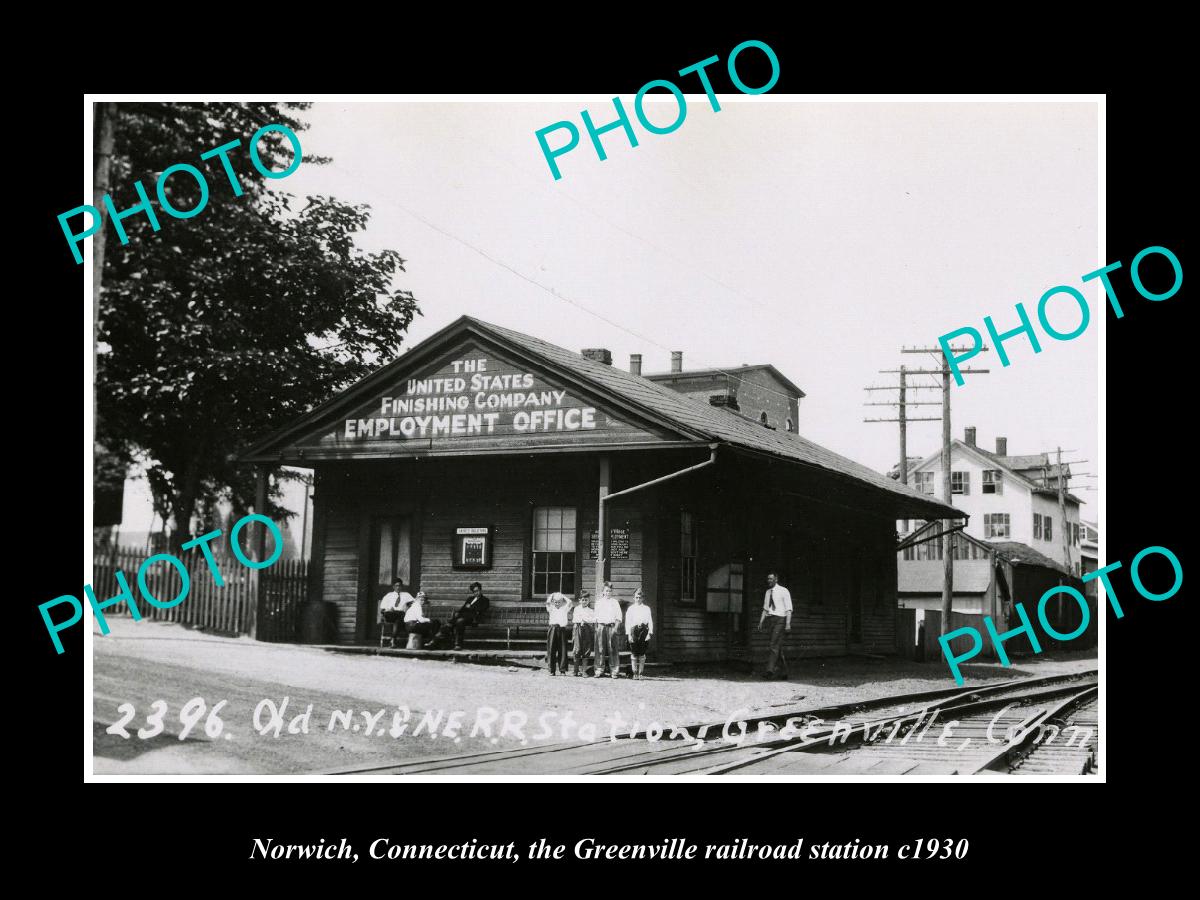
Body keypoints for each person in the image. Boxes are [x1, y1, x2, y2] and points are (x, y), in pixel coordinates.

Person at [432, 581, 490, 650]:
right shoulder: (470, 599)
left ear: (480, 590)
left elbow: (481, 609)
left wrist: (471, 607)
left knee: (456, 622)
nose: (476, 593)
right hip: (464, 617)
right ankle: (438, 640)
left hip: (474, 619)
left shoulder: (485, 600)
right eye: (474, 591)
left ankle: (450, 641)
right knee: (455, 622)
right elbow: (462, 609)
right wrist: (459, 612)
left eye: (477, 591)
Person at [758, 572, 793, 679]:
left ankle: (770, 670)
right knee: (777, 646)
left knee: (773, 645)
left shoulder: (783, 591)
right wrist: (761, 622)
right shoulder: (768, 592)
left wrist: (787, 623)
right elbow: (765, 608)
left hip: (780, 620)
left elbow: (789, 609)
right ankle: (784, 672)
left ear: (776, 579)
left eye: (771, 579)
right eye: (768, 579)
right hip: (770, 620)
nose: (769, 581)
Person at [592, 582, 623, 678]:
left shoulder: (615, 602)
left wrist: (615, 628)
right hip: (601, 627)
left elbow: (618, 617)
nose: (608, 593)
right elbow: (595, 617)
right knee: (600, 649)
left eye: (610, 591)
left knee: (612, 649)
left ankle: (614, 670)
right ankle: (599, 669)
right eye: (606, 591)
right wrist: (596, 628)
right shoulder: (599, 602)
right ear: (603, 592)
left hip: (611, 627)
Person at [624, 587, 653, 680]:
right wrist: (629, 634)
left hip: (643, 631)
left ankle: (641, 673)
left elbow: (650, 621)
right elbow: (627, 622)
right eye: (636, 597)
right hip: (633, 631)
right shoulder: (631, 609)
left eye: (640, 597)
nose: (638, 599)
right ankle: (634, 673)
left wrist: (649, 633)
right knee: (634, 652)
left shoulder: (647, 609)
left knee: (642, 652)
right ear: (634, 598)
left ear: (643, 598)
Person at [378, 579, 415, 647]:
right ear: (393, 587)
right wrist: (388, 609)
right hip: (390, 614)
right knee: (400, 616)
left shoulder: (406, 595)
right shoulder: (388, 595)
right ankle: (394, 639)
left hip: (400, 615)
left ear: (402, 587)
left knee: (399, 619)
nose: (398, 587)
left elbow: (414, 603)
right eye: (396, 586)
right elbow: (382, 609)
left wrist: (408, 606)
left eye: (400, 586)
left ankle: (393, 640)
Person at [544, 591, 570, 675]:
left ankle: (562, 670)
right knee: (551, 649)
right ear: (553, 602)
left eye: (559, 602)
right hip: (553, 629)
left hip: (562, 630)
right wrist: (552, 595)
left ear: (562, 602)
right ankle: (552, 670)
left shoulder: (565, 608)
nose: (557, 603)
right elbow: (548, 602)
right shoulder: (551, 608)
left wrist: (563, 596)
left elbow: (570, 602)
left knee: (562, 649)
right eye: (555, 602)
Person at [570, 590, 595, 677]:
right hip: (578, 629)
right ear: (579, 600)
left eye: (586, 600)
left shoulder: (591, 611)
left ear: (588, 601)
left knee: (586, 648)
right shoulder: (577, 609)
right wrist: (583, 619)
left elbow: (593, 620)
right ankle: (575, 671)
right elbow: (575, 620)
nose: (584, 601)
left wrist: (585, 619)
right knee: (577, 648)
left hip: (587, 629)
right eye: (582, 600)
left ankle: (584, 671)